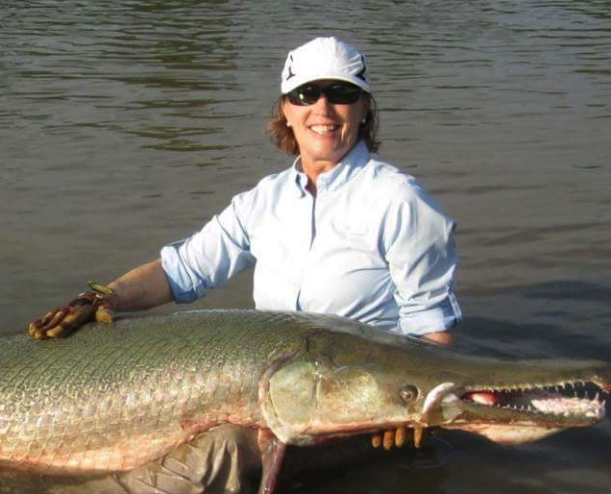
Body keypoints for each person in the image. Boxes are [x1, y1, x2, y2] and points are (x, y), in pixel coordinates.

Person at [28, 36, 461, 349]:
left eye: (342, 93)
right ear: (286, 110)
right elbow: (182, 272)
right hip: (277, 391)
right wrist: (101, 297)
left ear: (364, 108)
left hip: (360, 399)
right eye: (306, 94)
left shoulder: (400, 201)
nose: (323, 109)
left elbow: (430, 332)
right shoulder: (263, 201)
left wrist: (411, 417)